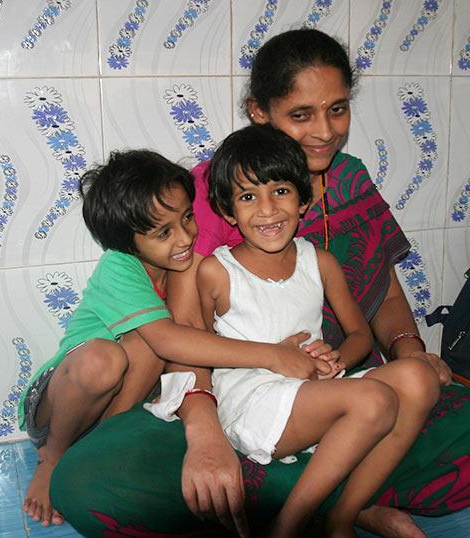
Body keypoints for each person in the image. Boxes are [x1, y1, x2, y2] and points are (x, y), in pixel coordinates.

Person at [49, 29, 470, 538]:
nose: (324, 131)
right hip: (220, 391)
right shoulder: (208, 199)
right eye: (301, 114)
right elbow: (181, 338)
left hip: (334, 383)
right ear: (260, 111)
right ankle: (342, 498)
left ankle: (323, 496)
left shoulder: (351, 180)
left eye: (338, 109)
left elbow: (384, 293)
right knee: (89, 481)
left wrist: (411, 355)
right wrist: (204, 431)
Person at [19, 149, 335, 528]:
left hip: (112, 405)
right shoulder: (119, 266)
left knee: (153, 357)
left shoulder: (188, 266)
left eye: (187, 217)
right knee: (114, 356)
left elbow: (194, 340)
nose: (185, 236)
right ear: (126, 241)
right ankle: (52, 457)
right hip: (58, 403)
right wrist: (269, 355)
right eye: (163, 232)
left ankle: (99, 443)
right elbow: (170, 341)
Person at [198, 123, 440, 537]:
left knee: (419, 376)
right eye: (247, 197)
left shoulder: (320, 261)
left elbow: (360, 336)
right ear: (227, 211)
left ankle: (342, 517)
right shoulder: (217, 271)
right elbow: (195, 347)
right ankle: (287, 527)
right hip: (252, 399)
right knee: (374, 399)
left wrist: (334, 360)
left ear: (305, 199)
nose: (268, 210)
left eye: (281, 191)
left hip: (315, 389)